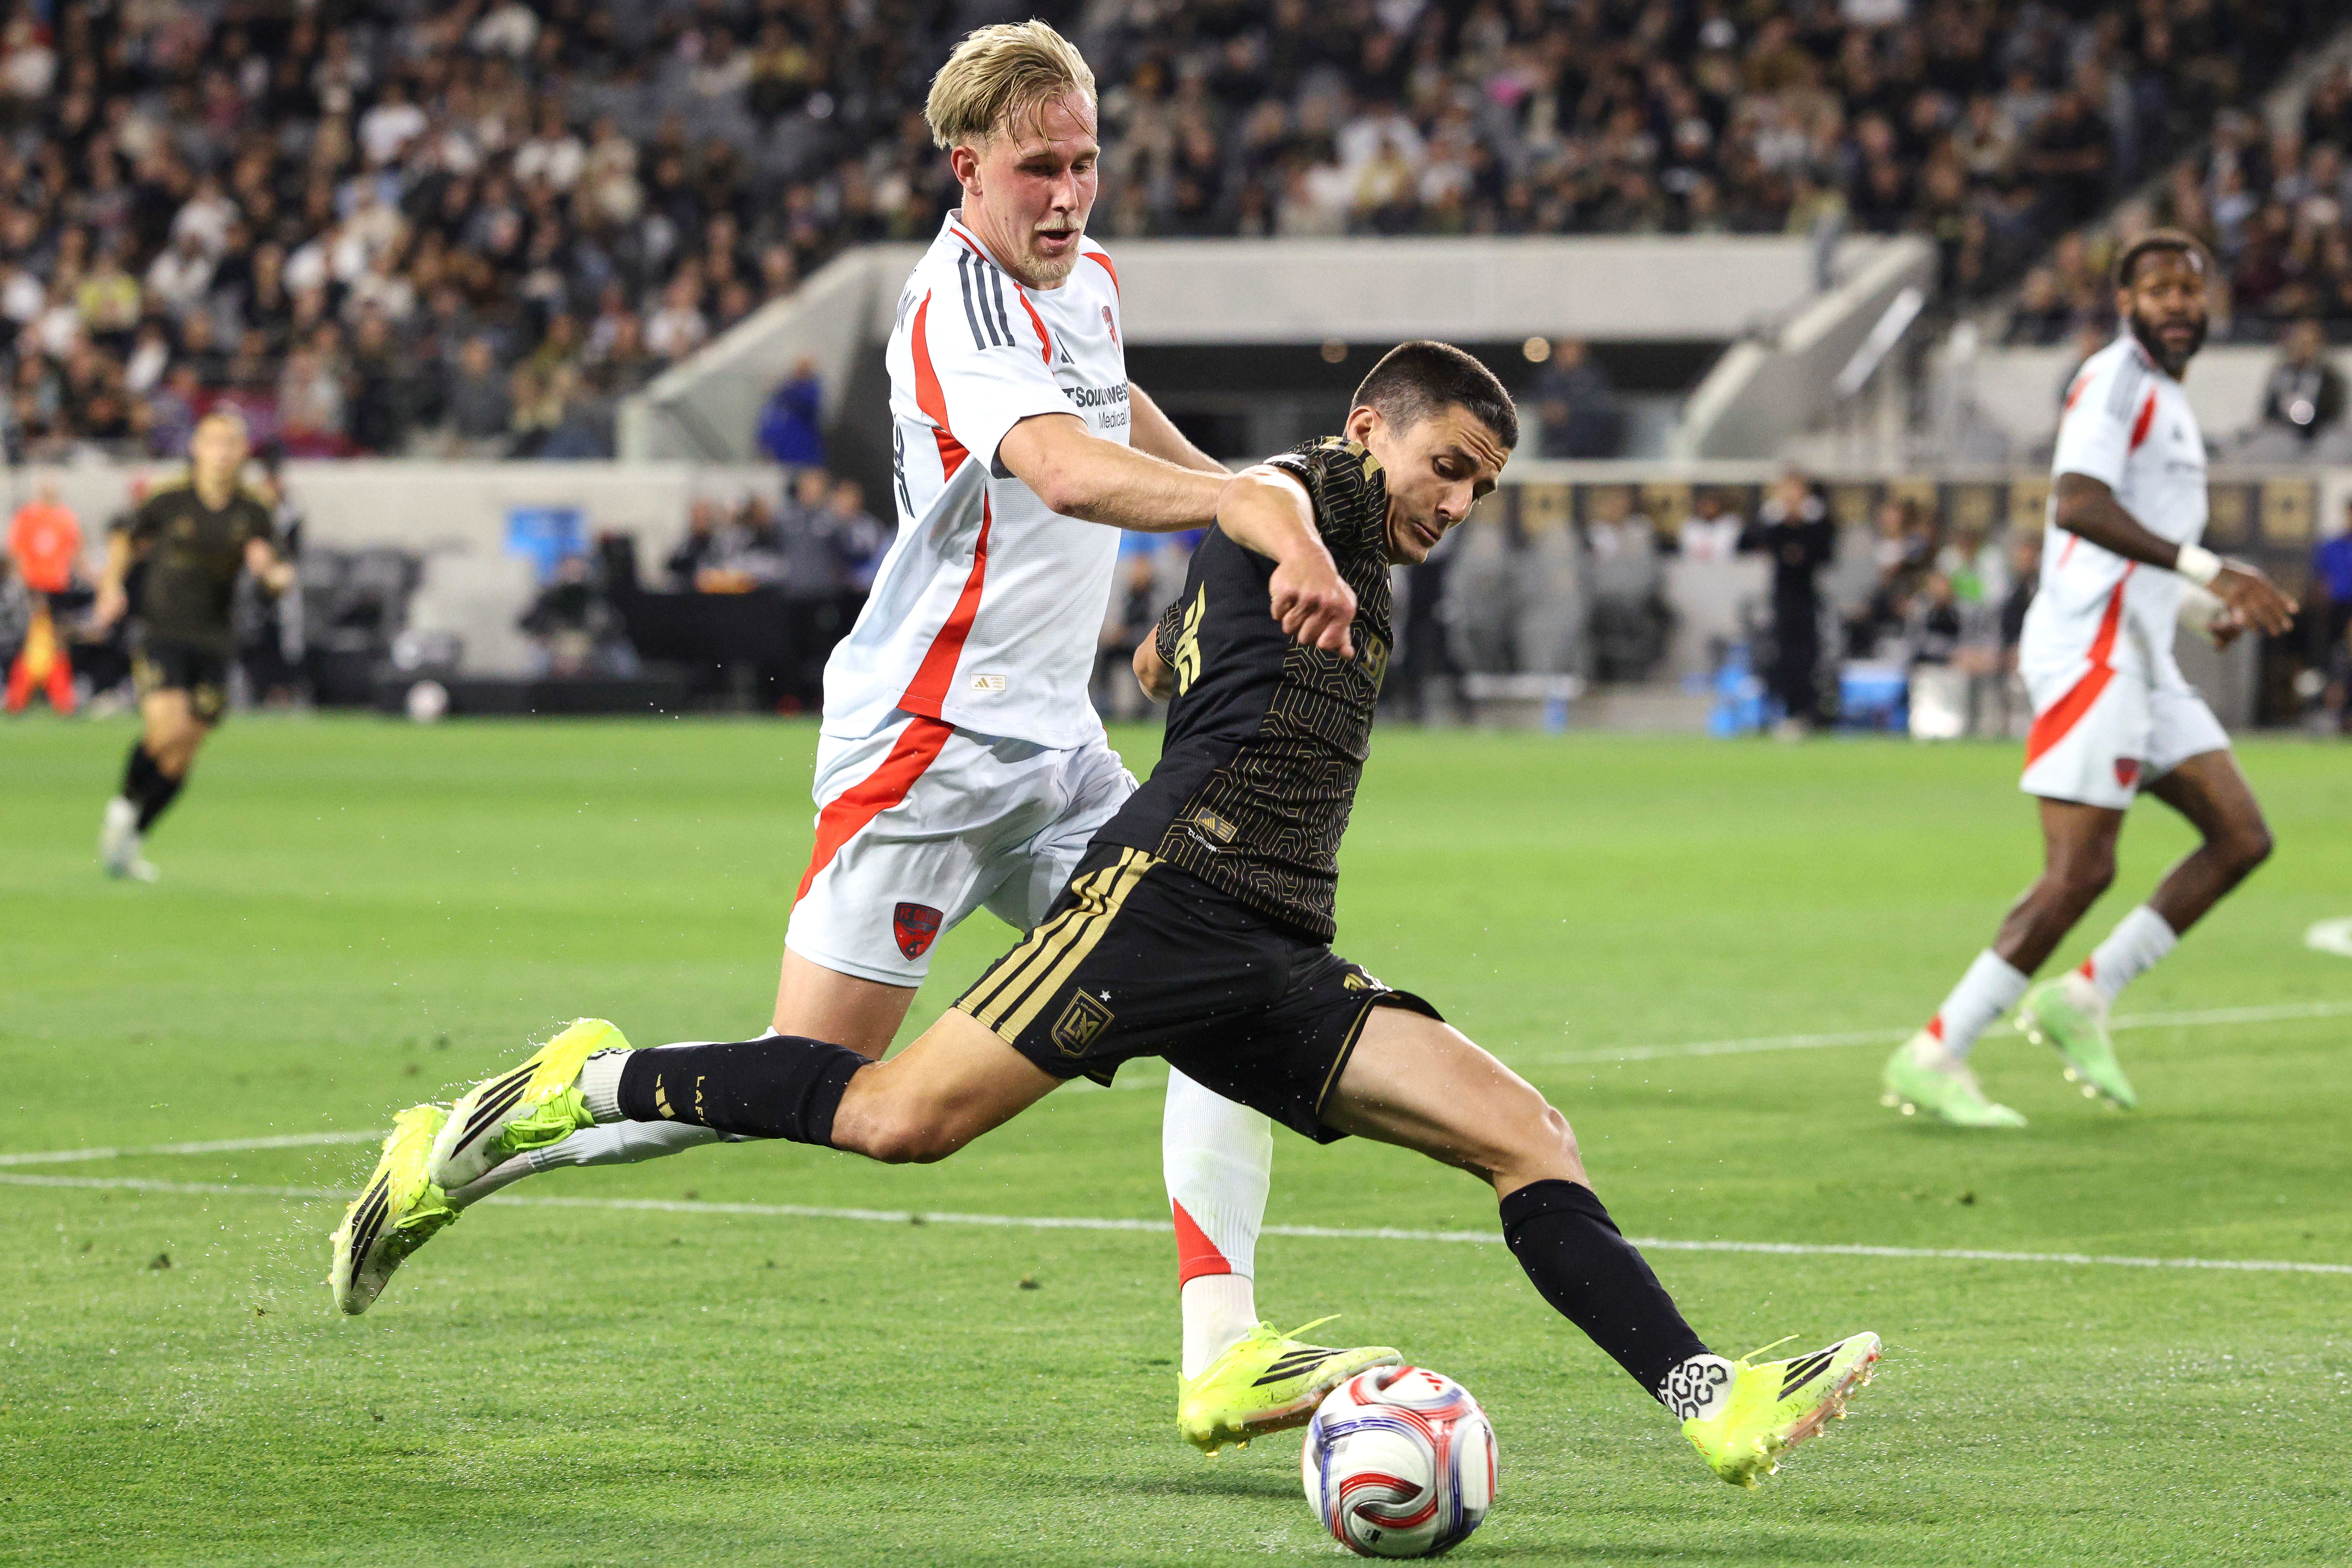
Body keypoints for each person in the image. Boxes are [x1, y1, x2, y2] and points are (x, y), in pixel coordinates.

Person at [399, 346, 1881, 1490]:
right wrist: (1273, 518)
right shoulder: (1291, 500)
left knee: (1524, 1134)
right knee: (897, 1118)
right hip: (1154, 905)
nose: (1460, 500)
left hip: (1276, 949)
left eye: (1484, 485)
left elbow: (1187, 544)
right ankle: (571, 1084)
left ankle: (1711, 1402)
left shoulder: (1346, 546)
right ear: (1369, 428)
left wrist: (1177, 474)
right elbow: (1254, 494)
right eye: (1448, 463)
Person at [328, 20, 1397, 1456]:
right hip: (927, 745)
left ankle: (1224, 1351)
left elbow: (1108, 404)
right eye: (1036, 169)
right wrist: (1242, 509)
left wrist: (1223, 486)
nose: (1067, 194)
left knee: (1222, 984)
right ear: (965, 168)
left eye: (1084, 162)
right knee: (799, 1082)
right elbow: (1062, 467)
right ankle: (513, 1117)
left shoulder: (1086, 279)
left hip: (1055, 744)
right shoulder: (945, 306)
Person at [1883, 232, 2298, 1127]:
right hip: (2089, 654)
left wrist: (2197, 610)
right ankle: (1934, 1051)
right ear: (2124, 301)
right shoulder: (2112, 381)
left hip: (2141, 656)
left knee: (2239, 836)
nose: (2177, 303)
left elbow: (2123, 545)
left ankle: (2083, 993)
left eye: (2190, 289)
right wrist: (2209, 569)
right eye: (2157, 289)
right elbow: (2076, 504)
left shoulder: (2167, 399)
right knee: (2077, 873)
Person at [92, 409, 293, 880]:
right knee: (166, 729)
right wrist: (110, 585)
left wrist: (272, 573)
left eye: (231, 444)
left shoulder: (254, 508)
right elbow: (125, 537)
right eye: (213, 442)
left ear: (243, 452)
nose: (222, 453)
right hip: (162, 631)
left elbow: (279, 570)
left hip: (216, 639)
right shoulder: (170, 500)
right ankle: (122, 807)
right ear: (196, 449)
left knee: (184, 750)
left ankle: (135, 839)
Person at [1740, 469, 1836, 735]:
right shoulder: (1772, 520)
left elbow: (1825, 552)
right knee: (1783, 656)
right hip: (1783, 597)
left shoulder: (1817, 520)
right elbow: (1750, 541)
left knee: (1807, 656)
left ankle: (1809, 713)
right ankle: (1786, 711)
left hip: (1807, 596)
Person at [2256, 318, 2344, 443]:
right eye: (2300, 343)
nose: (2304, 349)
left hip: (2318, 434)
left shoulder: (2329, 377)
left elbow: (2332, 412)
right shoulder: (2282, 373)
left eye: (2309, 344)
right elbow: (2270, 408)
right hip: (2283, 432)